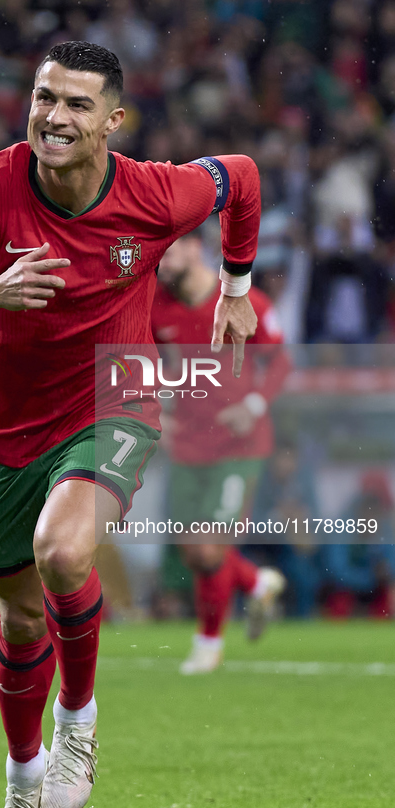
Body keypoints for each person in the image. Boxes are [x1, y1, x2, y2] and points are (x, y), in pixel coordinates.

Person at [0, 41, 261, 808]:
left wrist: (235, 286)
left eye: (76, 105)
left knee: (64, 551)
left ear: (112, 121)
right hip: (9, 423)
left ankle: (79, 724)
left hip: (116, 392)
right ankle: (21, 784)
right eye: (43, 97)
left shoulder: (154, 192)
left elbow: (240, 175)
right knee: (21, 616)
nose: (55, 116)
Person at [152, 232, 289, 673]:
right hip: (190, 445)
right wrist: (158, 415)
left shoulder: (243, 300)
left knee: (209, 548)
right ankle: (255, 582)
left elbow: (281, 360)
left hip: (240, 445)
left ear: (195, 247)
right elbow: (142, 363)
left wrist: (253, 406)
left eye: (169, 252)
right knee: (193, 551)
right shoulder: (155, 305)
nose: (162, 263)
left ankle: (208, 645)